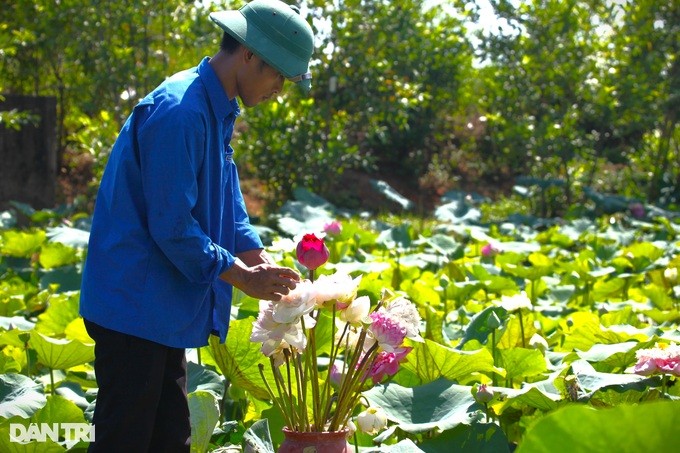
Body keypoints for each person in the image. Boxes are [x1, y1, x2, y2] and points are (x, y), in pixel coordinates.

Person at [79, 1, 314, 451]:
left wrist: (259, 259)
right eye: (278, 76)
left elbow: (228, 204)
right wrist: (243, 278)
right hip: (134, 305)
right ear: (248, 55)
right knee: (124, 440)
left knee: (170, 440)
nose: (279, 90)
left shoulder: (217, 107)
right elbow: (172, 227)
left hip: (164, 309)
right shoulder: (181, 110)